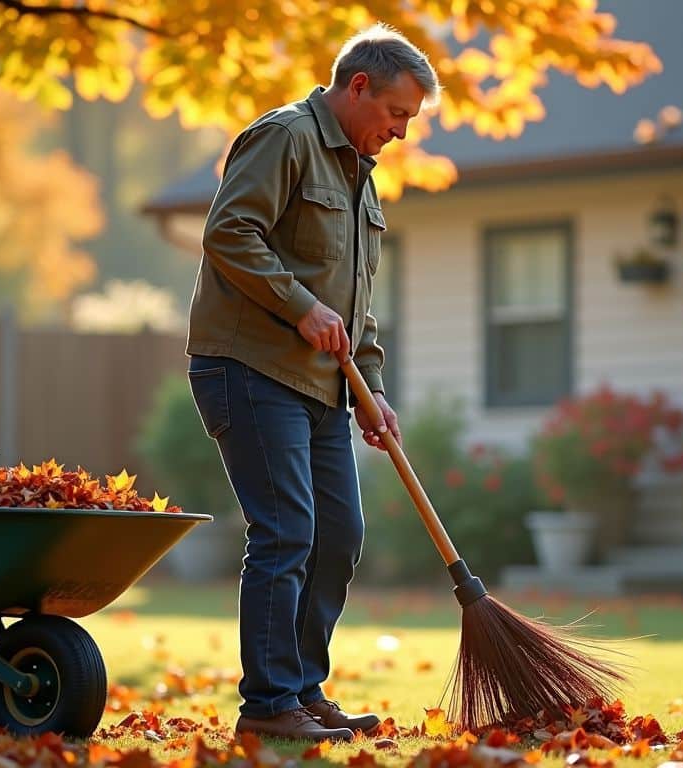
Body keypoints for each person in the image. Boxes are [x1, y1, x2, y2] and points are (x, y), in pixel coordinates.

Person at [184, 24, 439, 741]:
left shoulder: (361, 173)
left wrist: (374, 385)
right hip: (251, 367)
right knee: (287, 530)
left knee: (339, 535)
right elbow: (229, 233)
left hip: (325, 384)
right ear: (358, 86)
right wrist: (301, 306)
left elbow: (354, 299)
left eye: (409, 121)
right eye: (396, 114)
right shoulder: (285, 138)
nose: (400, 132)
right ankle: (268, 705)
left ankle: (301, 688)